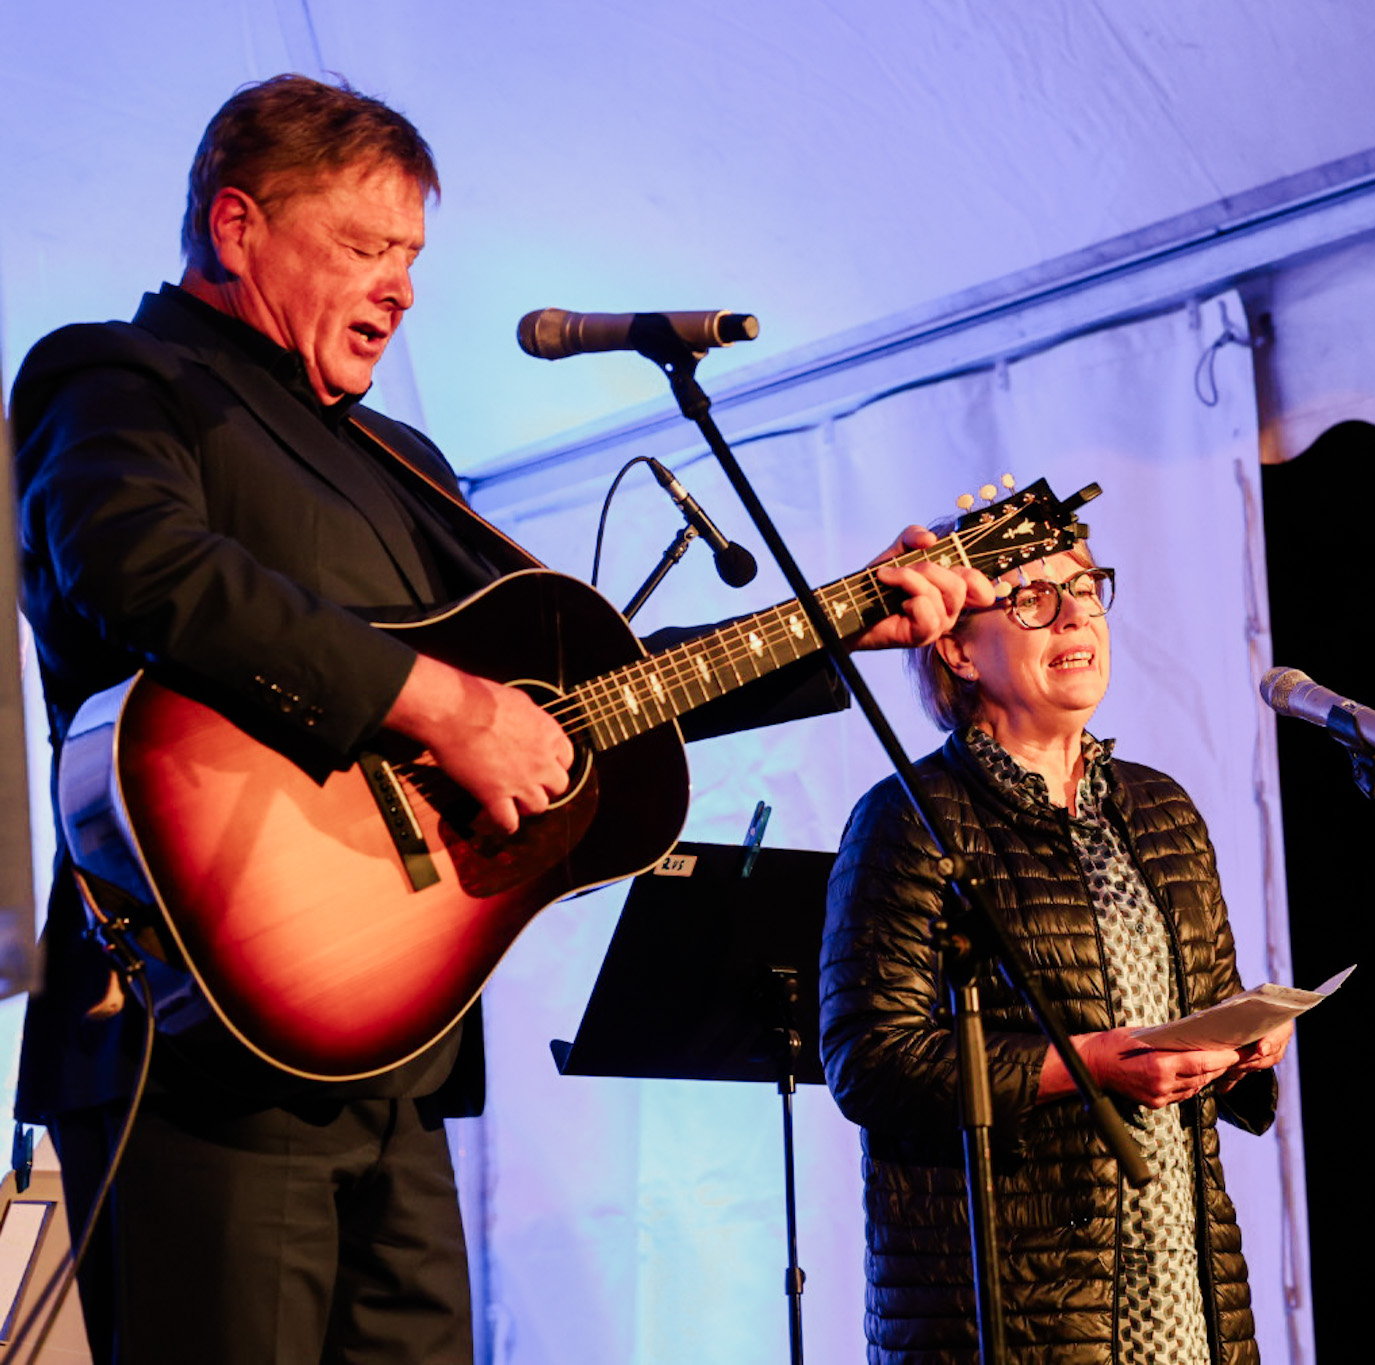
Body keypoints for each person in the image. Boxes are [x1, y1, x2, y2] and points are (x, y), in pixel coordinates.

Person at [9, 74, 989, 1365]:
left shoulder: (400, 459)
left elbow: (588, 701)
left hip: (395, 1045)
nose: (403, 288)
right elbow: (139, 567)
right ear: (237, 227)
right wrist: (438, 704)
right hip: (198, 1028)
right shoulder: (118, 375)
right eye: (364, 247)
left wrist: (837, 625)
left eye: (411, 256)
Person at [820, 543, 1292, 1365]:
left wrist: (1246, 1039)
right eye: (1034, 597)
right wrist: (1091, 1063)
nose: (1076, 615)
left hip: (1186, 1294)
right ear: (959, 650)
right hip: (1013, 1309)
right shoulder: (908, 816)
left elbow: (1208, 1000)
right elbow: (871, 1061)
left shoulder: (1163, 807)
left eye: (1085, 588)